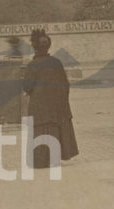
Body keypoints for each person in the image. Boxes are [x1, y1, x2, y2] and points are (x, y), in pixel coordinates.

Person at [23, 29, 79, 168]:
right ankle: (55, 158)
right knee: (54, 129)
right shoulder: (57, 63)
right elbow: (65, 84)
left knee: (40, 131)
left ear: (34, 47)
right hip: (57, 107)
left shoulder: (32, 65)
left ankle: (41, 161)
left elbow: (27, 86)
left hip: (39, 106)